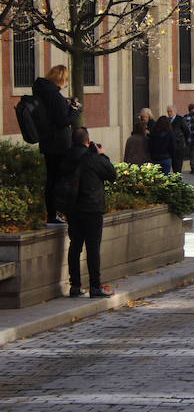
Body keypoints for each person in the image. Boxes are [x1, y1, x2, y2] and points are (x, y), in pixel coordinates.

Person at [61, 127, 117, 298]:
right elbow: (112, 174)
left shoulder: (66, 157)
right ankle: (95, 286)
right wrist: (101, 154)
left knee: (75, 246)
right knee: (93, 248)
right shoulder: (93, 158)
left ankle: (75, 286)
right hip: (92, 208)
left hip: (72, 208)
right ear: (87, 141)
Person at [32, 65, 81, 224]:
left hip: (48, 142)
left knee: (52, 179)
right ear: (62, 79)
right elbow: (62, 121)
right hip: (58, 144)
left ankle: (52, 214)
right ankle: (56, 214)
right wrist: (74, 110)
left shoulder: (43, 91)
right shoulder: (54, 96)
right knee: (60, 179)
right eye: (66, 79)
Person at [166, 106, 190, 173]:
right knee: (173, 164)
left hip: (179, 145)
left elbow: (186, 131)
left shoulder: (180, 119)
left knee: (178, 165)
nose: (169, 113)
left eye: (171, 111)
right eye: (168, 111)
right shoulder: (167, 120)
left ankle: (177, 180)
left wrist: (183, 140)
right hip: (170, 146)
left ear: (175, 111)